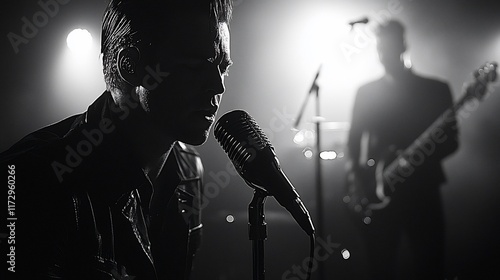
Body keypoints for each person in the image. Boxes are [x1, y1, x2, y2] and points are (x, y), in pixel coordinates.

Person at [0, 0, 233, 279]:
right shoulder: (32, 179)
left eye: (223, 67)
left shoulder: (188, 168)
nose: (218, 85)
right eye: (195, 66)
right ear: (130, 66)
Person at [346, 19, 459, 279]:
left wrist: (418, 157)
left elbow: (452, 141)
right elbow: (352, 141)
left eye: (389, 47)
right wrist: (355, 179)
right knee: (380, 267)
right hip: (378, 192)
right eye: (380, 48)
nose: (383, 54)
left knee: (430, 265)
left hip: (423, 191)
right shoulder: (366, 92)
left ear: (404, 46)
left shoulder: (435, 90)